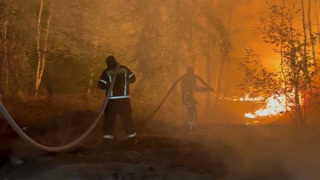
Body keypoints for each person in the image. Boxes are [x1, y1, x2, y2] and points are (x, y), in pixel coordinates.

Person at [98, 55, 137, 145]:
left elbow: (101, 85)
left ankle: (107, 140)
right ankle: (132, 139)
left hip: (112, 101)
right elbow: (133, 79)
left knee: (109, 120)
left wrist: (109, 84)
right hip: (125, 100)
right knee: (127, 119)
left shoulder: (107, 72)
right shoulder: (124, 69)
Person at [181, 67, 213, 132]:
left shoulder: (187, 80)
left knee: (192, 113)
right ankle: (188, 128)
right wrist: (207, 89)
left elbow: (196, 88)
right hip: (187, 98)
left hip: (189, 98)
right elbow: (194, 88)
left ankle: (188, 127)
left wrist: (207, 89)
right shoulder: (187, 81)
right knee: (193, 113)